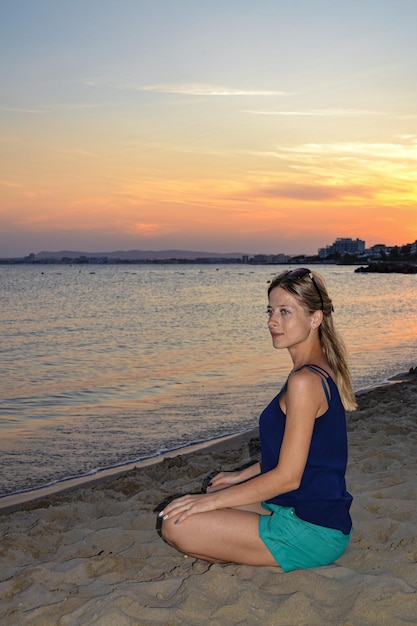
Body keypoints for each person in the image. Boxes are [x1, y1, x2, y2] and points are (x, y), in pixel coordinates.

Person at [160, 268, 357, 571]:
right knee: (213, 494)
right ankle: (249, 547)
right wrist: (238, 478)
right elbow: (303, 453)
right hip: (309, 511)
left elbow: (289, 476)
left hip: (312, 529)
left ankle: (271, 554)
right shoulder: (318, 369)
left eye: (284, 312)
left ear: (314, 318)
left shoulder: (304, 382)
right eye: (270, 311)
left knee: (176, 524)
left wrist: (210, 503)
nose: (272, 321)